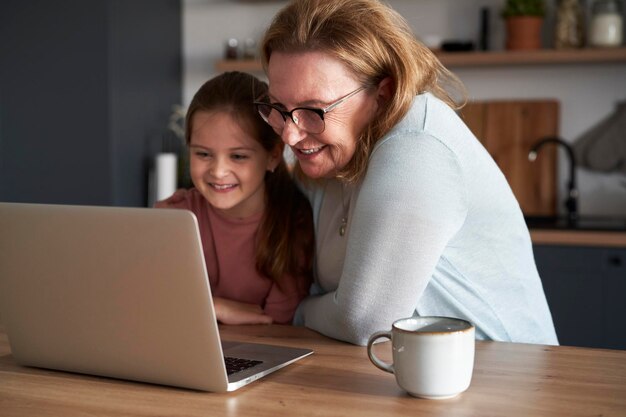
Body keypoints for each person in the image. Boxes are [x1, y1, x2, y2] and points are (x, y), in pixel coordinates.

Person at [254, 0, 558, 345]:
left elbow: (364, 322)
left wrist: (297, 311)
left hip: (506, 377)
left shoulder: (417, 145)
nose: (290, 134)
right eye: (279, 107)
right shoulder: (333, 158)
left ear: (383, 93)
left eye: (313, 110)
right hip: (404, 376)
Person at [155, 71, 314, 325]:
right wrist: (214, 307)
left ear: (273, 156)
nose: (218, 171)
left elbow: (276, 323)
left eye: (238, 156)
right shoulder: (174, 217)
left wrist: (197, 307)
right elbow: (153, 304)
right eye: (203, 154)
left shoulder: (291, 223)